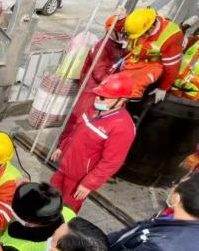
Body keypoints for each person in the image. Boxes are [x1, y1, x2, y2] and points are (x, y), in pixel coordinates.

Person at [50, 74, 136, 212]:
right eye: (97, 94)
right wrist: (62, 147)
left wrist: (88, 184)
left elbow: (111, 162)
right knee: (49, 197)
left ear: (121, 101)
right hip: (65, 166)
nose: (97, 99)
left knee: (65, 210)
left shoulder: (123, 127)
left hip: (79, 178)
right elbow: (76, 132)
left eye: (102, 97)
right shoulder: (94, 108)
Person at [60, 15, 126, 143]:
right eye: (122, 33)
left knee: (91, 123)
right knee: (78, 120)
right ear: (112, 31)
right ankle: (63, 146)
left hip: (102, 90)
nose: (125, 37)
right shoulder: (102, 47)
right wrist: (116, 86)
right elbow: (99, 73)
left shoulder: (117, 47)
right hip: (91, 91)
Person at [118, 7, 184, 102]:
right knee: (118, 80)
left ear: (150, 29)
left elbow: (172, 67)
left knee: (137, 84)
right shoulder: (137, 21)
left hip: (152, 64)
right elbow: (121, 29)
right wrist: (119, 20)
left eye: (141, 35)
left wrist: (163, 88)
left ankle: (130, 101)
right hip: (134, 59)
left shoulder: (172, 36)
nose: (139, 38)